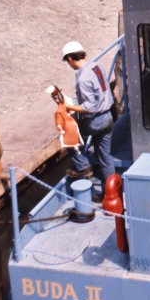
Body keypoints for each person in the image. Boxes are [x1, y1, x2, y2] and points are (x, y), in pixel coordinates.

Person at [61, 41, 115, 196]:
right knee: (106, 157)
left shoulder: (82, 79)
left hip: (95, 121)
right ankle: (110, 194)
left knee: (70, 139)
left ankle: (83, 166)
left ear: (70, 58)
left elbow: (89, 107)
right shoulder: (97, 66)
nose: (68, 64)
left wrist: (69, 106)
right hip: (108, 117)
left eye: (67, 61)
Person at [46, 85, 93, 179]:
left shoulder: (62, 101)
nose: (54, 99)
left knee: (72, 145)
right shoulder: (63, 97)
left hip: (72, 118)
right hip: (75, 116)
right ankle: (83, 164)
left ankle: (84, 167)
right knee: (78, 142)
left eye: (53, 97)